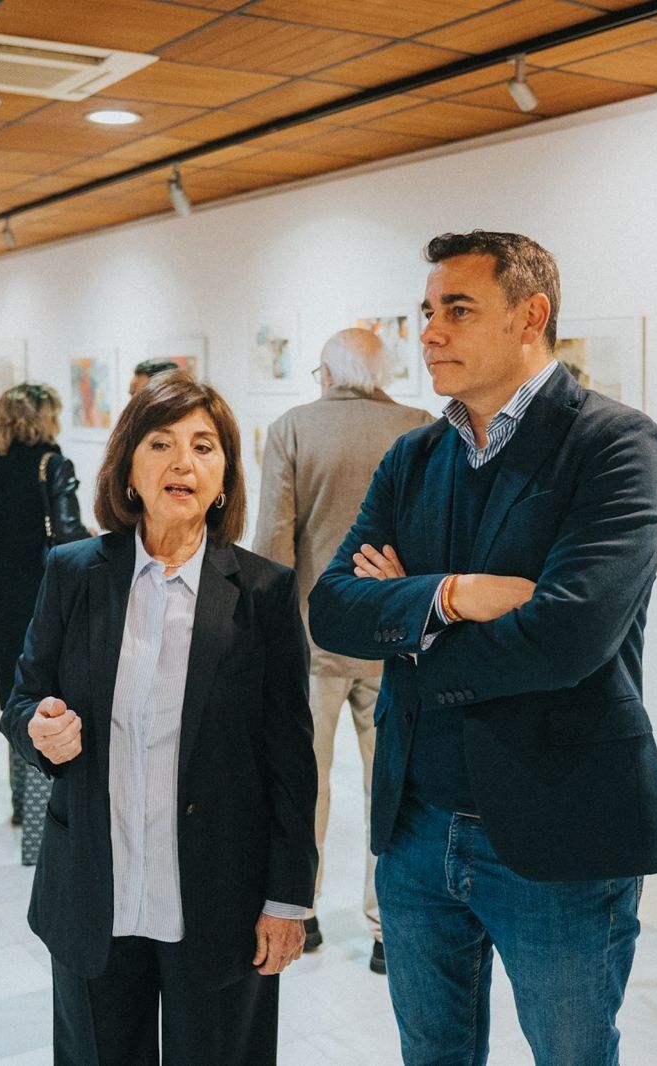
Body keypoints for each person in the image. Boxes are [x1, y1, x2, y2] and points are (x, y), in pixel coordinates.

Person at [309, 231, 657, 1064]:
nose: (430, 332)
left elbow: (568, 635)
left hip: (558, 825)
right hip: (415, 828)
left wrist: (408, 621)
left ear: (531, 316)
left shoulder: (613, 444)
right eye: (426, 312)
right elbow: (334, 609)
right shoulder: (413, 456)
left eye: (457, 310)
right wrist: (455, 593)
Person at [1, 372, 316, 1064]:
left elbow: (291, 759)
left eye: (205, 447)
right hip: (94, 891)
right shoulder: (73, 573)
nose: (184, 463)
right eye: (162, 443)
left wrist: (289, 899)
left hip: (219, 900)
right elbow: (23, 698)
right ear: (128, 470)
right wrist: (37, 726)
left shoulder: (263, 593)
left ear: (226, 476)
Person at [252, 328, 431, 973]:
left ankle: (302, 909)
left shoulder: (293, 428)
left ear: (325, 371)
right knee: (394, 784)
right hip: (397, 641)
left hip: (311, 638)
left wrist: (260, 641)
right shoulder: (420, 428)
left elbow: (272, 543)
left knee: (304, 781)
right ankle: (389, 929)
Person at [0, 382, 90, 858]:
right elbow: (69, 538)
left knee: (16, 700)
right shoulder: (53, 465)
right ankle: (49, 817)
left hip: (1, 604)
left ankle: (22, 804)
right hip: (49, 601)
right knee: (55, 702)